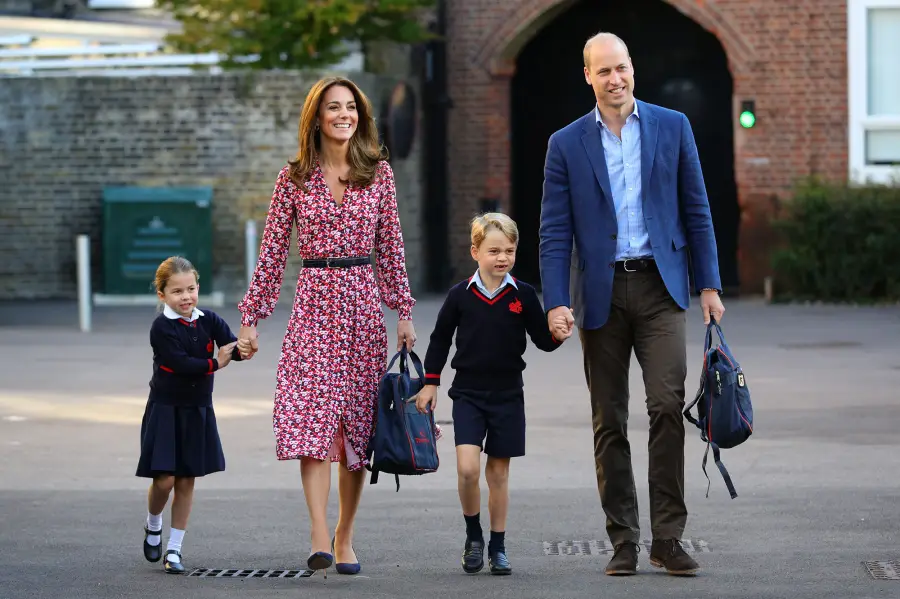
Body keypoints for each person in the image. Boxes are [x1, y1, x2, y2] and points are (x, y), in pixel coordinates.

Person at [539, 32, 726, 577]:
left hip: (662, 287)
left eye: (621, 68)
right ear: (588, 77)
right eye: (604, 71)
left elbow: (698, 209)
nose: (614, 79)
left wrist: (709, 285)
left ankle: (668, 537)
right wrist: (555, 302)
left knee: (667, 407)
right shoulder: (565, 143)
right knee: (609, 420)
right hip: (599, 294)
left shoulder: (673, 126)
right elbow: (554, 233)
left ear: (633, 69)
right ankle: (622, 539)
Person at [235, 76, 417, 576]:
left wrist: (403, 310)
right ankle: (318, 532)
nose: (344, 115)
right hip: (313, 305)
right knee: (312, 420)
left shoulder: (377, 173)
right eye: (333, 107)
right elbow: (272, 255)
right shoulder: (292, 178)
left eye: (351, 107)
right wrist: (251, 319)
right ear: (316, 116)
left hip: (362, 309)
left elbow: (391, 247)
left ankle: (345, 536)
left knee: (357, 431)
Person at [415, 213, 571, 576]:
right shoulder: (459, 295)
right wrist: (430, 381)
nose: (502, 258)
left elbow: (541, 340)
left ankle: (498, 546)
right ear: (475, 251)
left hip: (507, 396)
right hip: (468, 393)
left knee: (498, 474)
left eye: (510, 251)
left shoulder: (524, 295)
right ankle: (474, 537)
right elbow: (439, 339)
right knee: (468, 468)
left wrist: (557, 337)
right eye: (494, 250)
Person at [136, 256, 242, 574]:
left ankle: (174, 550)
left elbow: (230, 345)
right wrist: (216, 363)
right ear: (162, 295)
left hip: (198, 409)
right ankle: (153, 523)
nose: (186, 297)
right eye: (177, 291)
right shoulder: (161, 328)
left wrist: (243, 349)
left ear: (198, 287)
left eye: (191, 289)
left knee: (186, 480)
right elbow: (179, 364)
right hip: (165, 409)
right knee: (164, 480)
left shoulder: (208, 319)